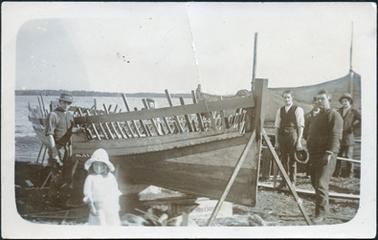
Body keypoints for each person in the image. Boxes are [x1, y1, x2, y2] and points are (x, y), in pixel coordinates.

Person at [307, 89, 343, 223]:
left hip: (327, 155)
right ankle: (324, 209)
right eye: (317, 99)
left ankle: (320, 214)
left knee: (321, 183)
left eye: (322, 99)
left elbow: (335, 135)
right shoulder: (316, 116)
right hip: (314, 154)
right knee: (315, 183)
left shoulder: (334, 115)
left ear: (329, 100)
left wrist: (329, 152)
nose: (319, 101)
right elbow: (310, 133)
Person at [45, 93, 75, 206]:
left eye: (69, 103)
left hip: (68, 149)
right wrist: (54, 153)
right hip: (57, 148)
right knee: (56, 175)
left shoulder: (70, 115)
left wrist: (77, 130)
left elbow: (70, 131)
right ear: (60, 102)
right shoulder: (53, 115)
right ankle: (51, 201)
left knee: (67, 175)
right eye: (64, 102)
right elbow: (49, 135)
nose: (66, 105)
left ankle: (63, 200)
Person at [274, 90, 305, 188]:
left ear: (292, 98)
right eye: (285, 97)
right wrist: (276, 141)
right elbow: (277, 126)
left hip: (293, 136)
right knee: (284, 159)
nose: (286, 99)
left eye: (288, 97)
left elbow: (300, 126)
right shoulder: (280, 110)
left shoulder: (298, 109)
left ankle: (292, 181)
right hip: (282, 136)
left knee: (292, 159)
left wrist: (299, 141)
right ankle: (284, 181)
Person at [83, 148, 122, 225]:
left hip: (110, 207)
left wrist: (116, 205)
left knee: (112, 225)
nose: (98, 167)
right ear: (92, 165)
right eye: (96, 164)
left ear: (105, 166)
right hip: (98, 209)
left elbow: (114, 192)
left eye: (101, 165)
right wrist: (91, 207)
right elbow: (87, 194)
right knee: (100, 226)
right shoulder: (90, 178)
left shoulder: (110, 177)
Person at [333, 93, 361, 178]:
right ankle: (336, 173)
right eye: (343, 101)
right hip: (340, 137)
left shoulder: (354, 111)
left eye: (346, 101)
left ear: (349, 102)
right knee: (338, 155)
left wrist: (352, 126)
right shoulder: (338, 111)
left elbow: (360, 120)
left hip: (349, 137)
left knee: (349, 156)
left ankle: (349, 174)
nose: (344, 103)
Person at [303, 97, 321, 177]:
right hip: (311, 140)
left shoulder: (323, 115)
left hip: (321, 140)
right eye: (314, 104)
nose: (316, 105)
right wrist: (307, 137)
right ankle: (308, 173)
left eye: (317, 104)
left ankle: (318, 173)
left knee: (319, 156)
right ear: (312, 104)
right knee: (310, 155)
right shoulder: (308, 116)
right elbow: (305, 128)